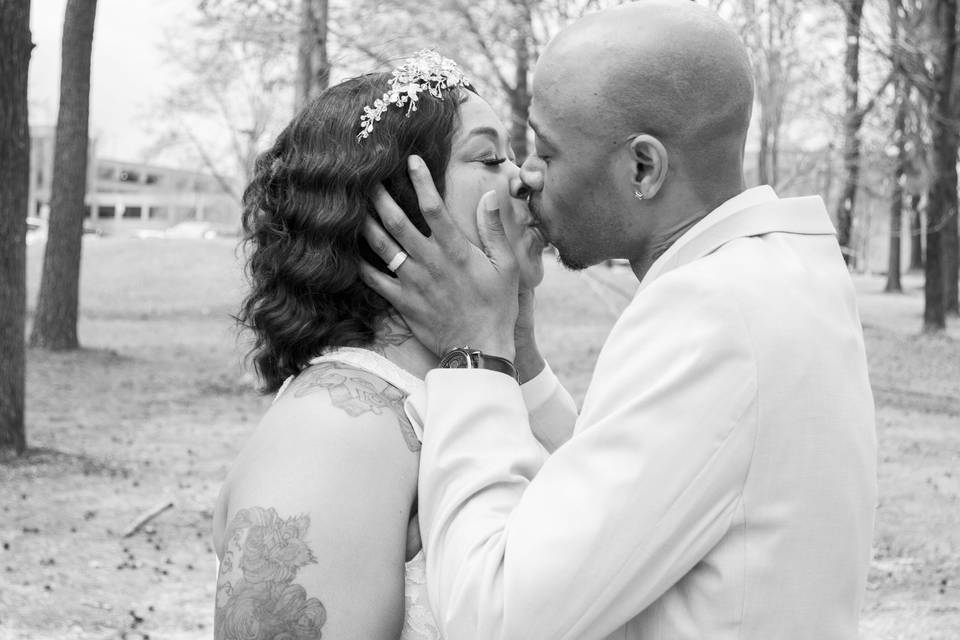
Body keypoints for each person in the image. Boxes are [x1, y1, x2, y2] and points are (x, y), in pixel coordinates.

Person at [360, 2, 878, 639]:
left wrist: (476, 355)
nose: (526, 176)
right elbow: (635, 497)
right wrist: (518, 353)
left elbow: (494, 616)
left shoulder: (711, 315)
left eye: (547, 152)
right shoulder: (781, 276)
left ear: (644, 167)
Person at [212, 51, 577, 640]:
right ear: (396, 208)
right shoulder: (334, 433)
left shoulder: (476, 384)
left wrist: (510, 346)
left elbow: (602, 515)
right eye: (489, 157)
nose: (523, 178)